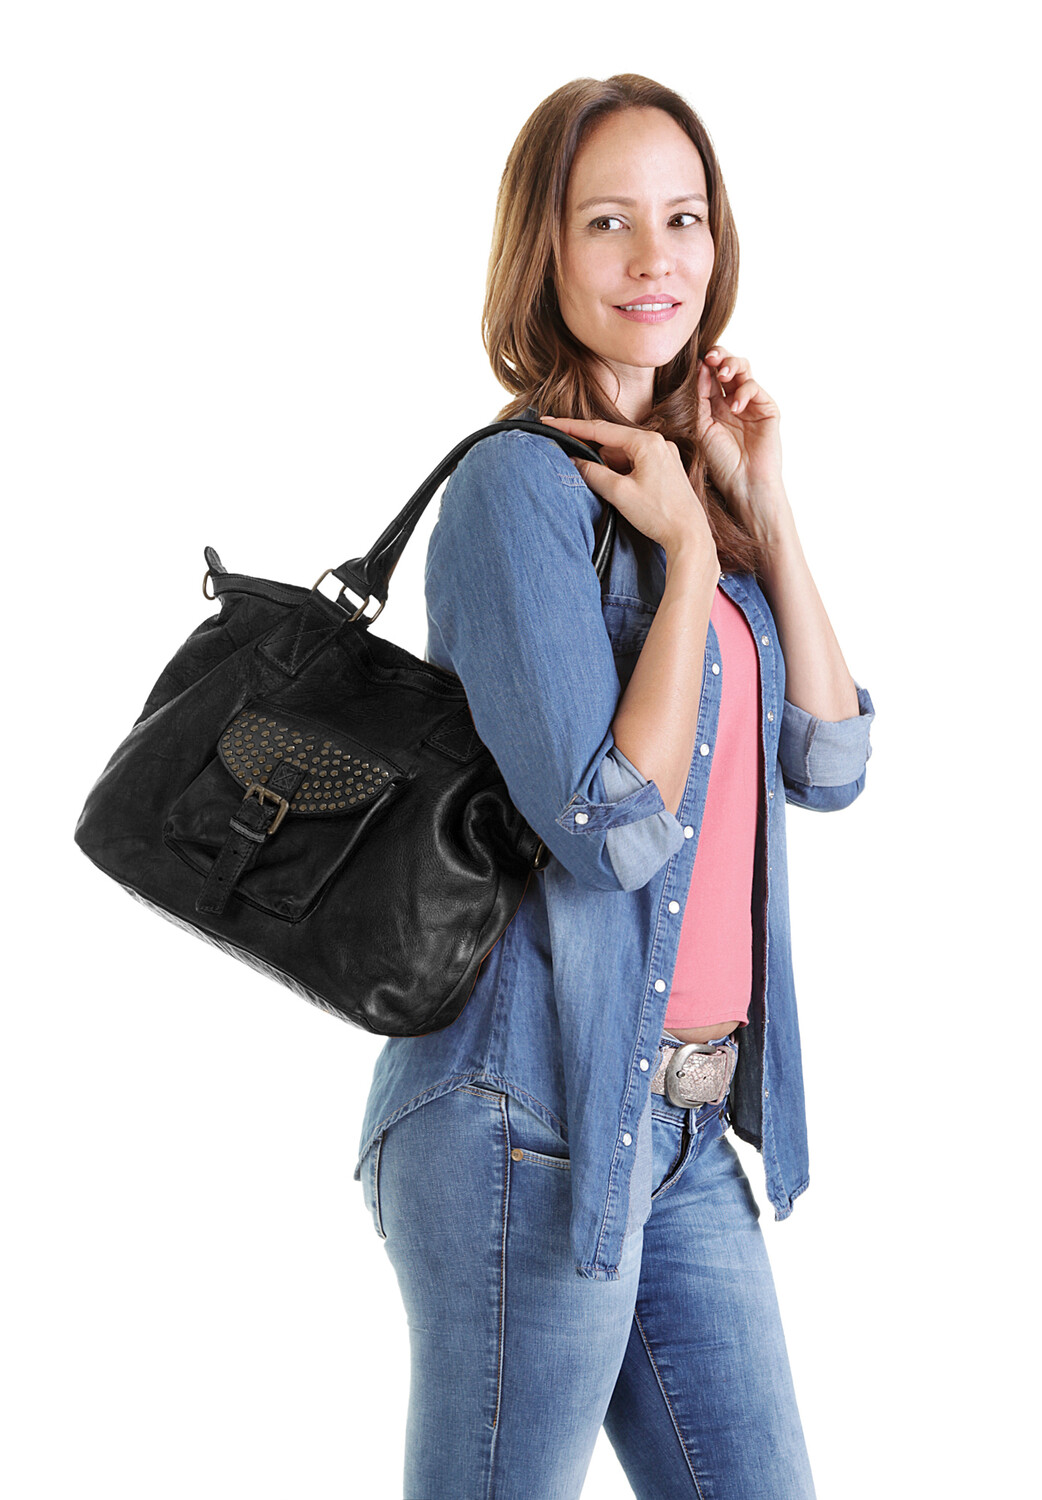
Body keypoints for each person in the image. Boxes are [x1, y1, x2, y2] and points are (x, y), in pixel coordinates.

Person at [353, 72, 875, 1500]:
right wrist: (690, 559)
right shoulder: (516, 490)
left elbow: (829, 761)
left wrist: (759, 508)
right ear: (544, 250)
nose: (656, 257)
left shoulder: (693, 487)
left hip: (687, 1130)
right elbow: (608, 828)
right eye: (607, 221)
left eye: (683, 218)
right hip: (526, 1117)